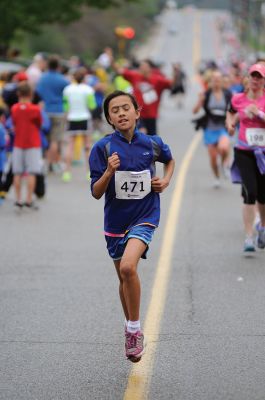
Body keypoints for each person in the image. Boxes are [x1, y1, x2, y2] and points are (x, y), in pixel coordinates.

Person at [89, 90, 175, 362]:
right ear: (109, 119)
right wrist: (108, 172)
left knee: (128, 267)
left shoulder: (152, 143)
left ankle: (134, 329)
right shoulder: (102, 148)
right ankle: (131, 328)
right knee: (123, 277)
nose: (121, 113)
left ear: (138, 112)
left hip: (145, 216)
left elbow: (169, 161)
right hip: (115, 222)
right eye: (115, 111)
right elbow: (95, 192)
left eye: (126, 108)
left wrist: (166, 180)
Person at [226, 63, 265, 254]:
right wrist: (230, 124)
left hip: (263, 153)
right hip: (244, 150)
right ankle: (249, 236)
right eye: (253, 76)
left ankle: (263, 227)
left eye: (260, 77)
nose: (256, 80)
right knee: (250, 191)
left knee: (263, 196)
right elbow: (231, 112)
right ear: (248, 78)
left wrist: (259, 114)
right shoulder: (238, 98)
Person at [112, 58, 176, 135]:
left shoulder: (157, 79)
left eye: (145, 67)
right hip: (138, 114)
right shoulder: (135, 76)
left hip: (152, 115)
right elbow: (120, 70)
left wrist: (175, 73)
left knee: (152, 140)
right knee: (141, 133)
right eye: (141, 67)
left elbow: (171, 83)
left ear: (150, 69)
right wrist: (111, 59)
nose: (142, 69)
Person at [192, 70, 232, 188]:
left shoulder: (227, 94)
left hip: (222, 128)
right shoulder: (206, 94)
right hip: (209, 128)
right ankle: (216, 177)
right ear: (211, 82)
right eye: (214, 80)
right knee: (213, 157)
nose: (216, 82)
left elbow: (233, 110)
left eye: (219, 80)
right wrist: (200, 100)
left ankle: (224, 164)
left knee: (224, 148)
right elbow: (194, 111)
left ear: (222, 81)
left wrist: (231, 122)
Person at [11, 82, 42, 210]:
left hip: (18, 143)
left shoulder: (15, 108)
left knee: (17, 172)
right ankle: (29, 199)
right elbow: (39, 124)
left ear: (18, 94)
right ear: (31, 94)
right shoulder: (35, 109)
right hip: (33, 143)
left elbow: (14, 123)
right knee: (31, 172)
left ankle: (18, 199)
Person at [62, 68, 96, 182]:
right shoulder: (88, 89)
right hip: (85, 118)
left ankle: (67, 172)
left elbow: (65, 107)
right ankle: (89, 172)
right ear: (84, 78)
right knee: (87, 146)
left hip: (72, 118)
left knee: (70, 146)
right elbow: (92, 106)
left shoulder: (67, 90)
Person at [36, 55, 69, 172]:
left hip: (45, 111)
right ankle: (52, 163)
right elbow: (67, 94)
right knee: (55, 140)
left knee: (46, 138)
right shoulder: (63, 80)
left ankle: (45, 163)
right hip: (58, 111)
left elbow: (38, 93)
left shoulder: (42, 79)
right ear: (58, 66)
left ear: (47, 65)